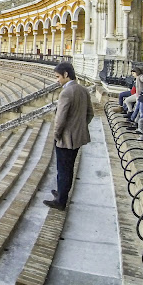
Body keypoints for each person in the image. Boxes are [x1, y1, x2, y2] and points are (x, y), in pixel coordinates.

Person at [43, 62, 94, 211]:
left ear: (66, 74)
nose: (57, 80)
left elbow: (60, 119)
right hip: (77, 138)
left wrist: (57, 135)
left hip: (65, 139)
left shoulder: (66, 92)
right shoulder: (83, 90)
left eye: (58, 76)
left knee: (63, 169)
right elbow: (90, 114)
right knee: (68, 168)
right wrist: (79, 127)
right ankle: (62, 192)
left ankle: (60, 201)